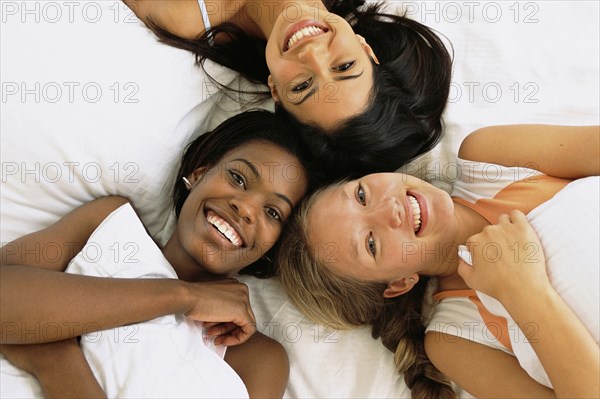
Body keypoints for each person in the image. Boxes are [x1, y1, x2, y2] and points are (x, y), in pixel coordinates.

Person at [0, 110, 317, 398]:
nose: (245, 208)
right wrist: (184, 296)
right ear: (198, 173)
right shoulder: (111, 224)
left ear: (273, 247)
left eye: (273, 212)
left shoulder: (258, 360)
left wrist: (53, 354)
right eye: (238, 178)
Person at [276, 124, 600, 398]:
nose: (390, 209)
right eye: (371, 243)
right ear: (399, 282)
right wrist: (524, 290)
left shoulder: (488, 159)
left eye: (361, 195)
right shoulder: (454, 341)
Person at [122, 0, 453, 177]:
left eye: (303, 85)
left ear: (275, 90)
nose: (311, 53)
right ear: (365, 48)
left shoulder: (186, 15)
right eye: (344, 66)